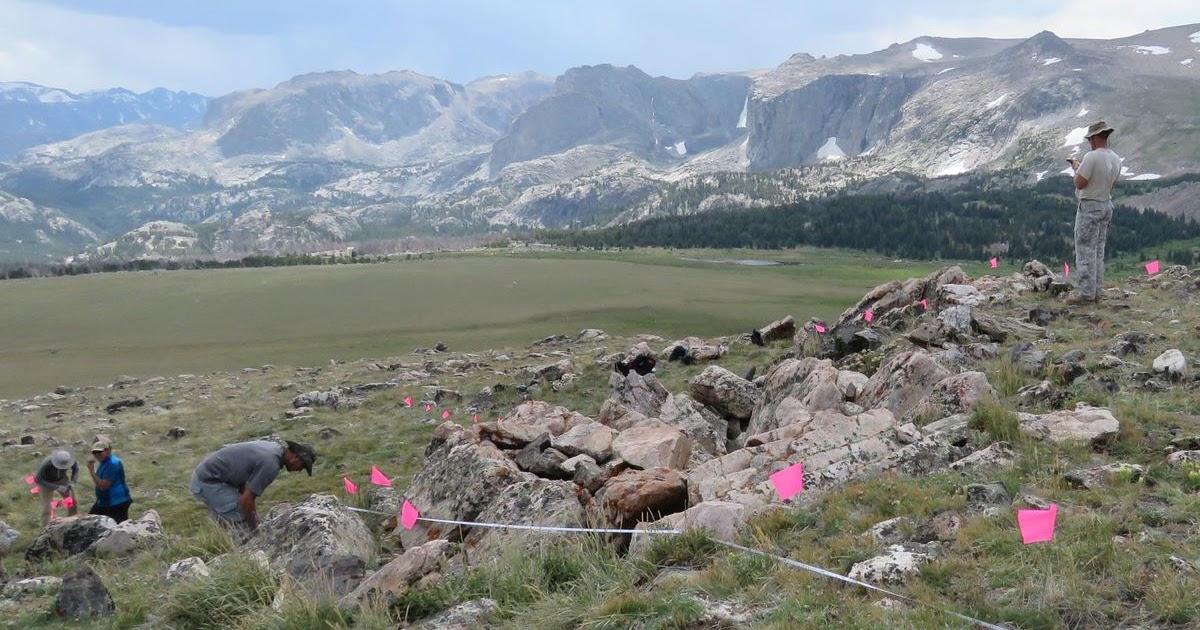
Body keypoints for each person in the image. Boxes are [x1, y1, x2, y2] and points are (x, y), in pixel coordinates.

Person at [188, 439, 315, 533]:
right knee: (242, 525)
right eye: (302, 467)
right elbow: (246, 499)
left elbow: (245, 487)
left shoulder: (274, 448)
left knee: (234, 521)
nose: (299, 470)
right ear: (296, 458)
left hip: (208, 477)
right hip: (209, 482)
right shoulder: (271, 464)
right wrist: (256, 529)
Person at [1065, 121, 1122, 305]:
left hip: (1090, 207)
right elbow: (1111, 184)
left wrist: (1076, 169)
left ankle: (1086, 294)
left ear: (1095, 138)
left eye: (1090, 139)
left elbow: (1080, 183)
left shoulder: (1091, 157)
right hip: (1106, 205)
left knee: (1085, 250)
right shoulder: (1115, 158)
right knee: (1098, 249)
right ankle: (1097, 291)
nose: (1090, 142)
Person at [86, 438, 132, 523]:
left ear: (108, 451)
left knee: (118, 529)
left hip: (116, 503)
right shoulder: (104, 462)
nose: (97, 455)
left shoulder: (113, 463)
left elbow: (104, 486)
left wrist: (92, 472)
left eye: (100, 452)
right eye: (94, 452)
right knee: (90, 522)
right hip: (104, 502)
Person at [34, 450, 78, 526]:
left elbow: (76, 469)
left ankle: (71, 522)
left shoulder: (71, 460)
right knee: (47, 509)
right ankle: (46, 529)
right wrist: (56, 487)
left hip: (62, 480)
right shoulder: (47, 463)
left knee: (72, 502)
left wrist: (72, 482)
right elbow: (37, 479)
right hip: (45, 482)